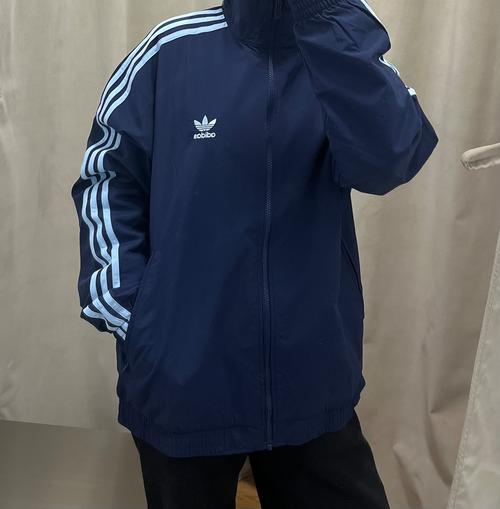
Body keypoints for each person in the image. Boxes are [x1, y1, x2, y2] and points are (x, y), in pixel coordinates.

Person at [70, 0, 439, 507]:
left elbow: (390, 159)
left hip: (311, 376)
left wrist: (324, 19)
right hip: (183, 378)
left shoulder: (342, 51)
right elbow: (109, 179)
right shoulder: (169, 51)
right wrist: (139, 318)